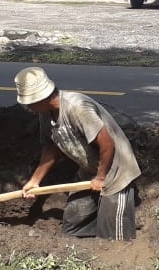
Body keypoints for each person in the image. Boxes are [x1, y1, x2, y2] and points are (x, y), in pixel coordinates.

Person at [15, 66, 141, 240]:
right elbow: (51, 148)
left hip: (114, 170)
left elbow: (108, 144)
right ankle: (97, 223)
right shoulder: (46, 113)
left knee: (114, 236)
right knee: (73, 225)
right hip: (89, 169)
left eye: (29, 103)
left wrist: (101, 177)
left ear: (42, 98)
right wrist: (35, 181)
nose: (28, 107)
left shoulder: (77, 107)